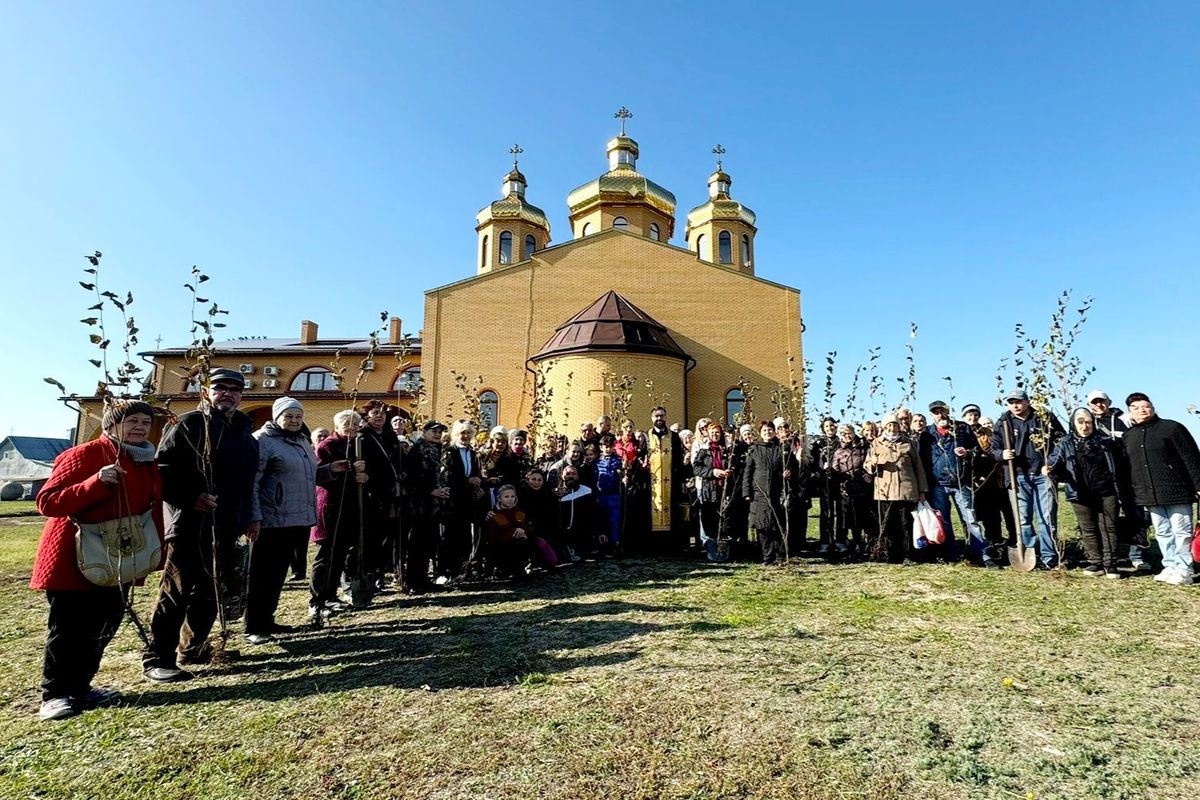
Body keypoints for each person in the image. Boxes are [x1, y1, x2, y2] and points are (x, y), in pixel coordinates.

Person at [32, 400, 164, 720]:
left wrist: (156, 552)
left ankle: (81, 687)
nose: (139, 427)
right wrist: (95, 482)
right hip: (76, 558)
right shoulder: (84, 455)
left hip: (120, 558)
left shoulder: (146, 460)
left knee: (104, 626)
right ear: (111, 424)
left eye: (145, 422)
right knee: (69, 628)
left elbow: (151, 510)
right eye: (131, 420)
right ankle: (55, 694)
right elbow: (48, 502)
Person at [143, 368, 258, 682]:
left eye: (235, 389)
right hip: (190, 523)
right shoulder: (191, 424)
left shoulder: (245, 433)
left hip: (226, 525)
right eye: (220, 388)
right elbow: (162, 468)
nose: (228, 394)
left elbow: (247, 482)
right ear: (206, 391)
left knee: (211, 590)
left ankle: (193, 647)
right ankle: (158, 658)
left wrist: (249, 516)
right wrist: (191, 497)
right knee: (178, 590)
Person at [245, 397, 318, 644]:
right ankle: (253, 626)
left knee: (277, 575)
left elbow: (308, 477)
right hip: (270, 519)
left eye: (298, 416)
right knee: (260, 575)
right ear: (277, 417)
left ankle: (267, 620)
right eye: (289, 416)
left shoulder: (302, 441)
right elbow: (252, 481)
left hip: (295, 518)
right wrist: (254, 516)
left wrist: (331, 470)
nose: (295, 421)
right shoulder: (262, 441)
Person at [1123, 393, 1200, 586]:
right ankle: (1170, 565)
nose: (1142, 410)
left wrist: (1199, 485)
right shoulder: (1129, 436)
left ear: (1152, 407)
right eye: (1136, 408)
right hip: (1150, 494)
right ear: (1130, 413)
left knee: (1181, 531)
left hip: (1177, 491)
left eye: (1145, 406)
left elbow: (1191, 458)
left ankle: (1184, 569)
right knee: (1162, 532)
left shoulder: (1172, 428)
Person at [1046, 407, 1132, 578]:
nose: (1085, 426)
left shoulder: (1105, 441)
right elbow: (1055, 459)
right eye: (1080, 422)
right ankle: (1096, 563)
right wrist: (1049, 467)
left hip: (1106, 491)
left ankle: (1111, 564)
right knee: (1088, 528)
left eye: (1088, 422)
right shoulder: (1066, 442)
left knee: (1109, 527)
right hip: (1080, 491)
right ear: (1073, 423)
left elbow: (1120, 464)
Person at [991, 388, 1066, 569]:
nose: (1015, 406)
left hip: (1043, 475)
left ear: (1027, 401)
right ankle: (1030, 551)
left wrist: (1052, 463)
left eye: (1018, 401)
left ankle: (1049, 557)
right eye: (1011, 402)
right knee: (1023, 519)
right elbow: (994, 448)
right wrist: (1002, 454)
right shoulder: (1003, 422)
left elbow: (1061, 441)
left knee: (1046, 518)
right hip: (1018, 476)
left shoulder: (1043, 417)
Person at [310, 410, 369, 618]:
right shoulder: (327, 445)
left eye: (355, 425)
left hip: (349, 508)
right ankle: (317, 600)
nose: (352, 429)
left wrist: (362, 476)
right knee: (326, 555)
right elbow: (317, 474)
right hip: (331, 507)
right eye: (347, 425)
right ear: (337, 426)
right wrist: (347, 470)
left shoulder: (357, 445)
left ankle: (331, 596)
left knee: (340, 555)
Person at [919, 400, 988, 564]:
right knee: (944, 521)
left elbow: (977, 450)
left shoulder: (962, 428)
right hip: (938, 484)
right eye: (936, 412)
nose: (940, 415)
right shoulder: (927, 433)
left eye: (942, 411)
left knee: (970, 519)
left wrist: (967, 453)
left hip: (960, 481)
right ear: (931, 415)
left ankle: (980, 554)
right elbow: (922, 459)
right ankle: (951, 554)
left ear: (948, 411)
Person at [864, 413, 928, 563]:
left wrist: (922, 490)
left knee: (907, 523)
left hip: (907, 489)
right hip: (885, 491)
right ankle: (892, 554)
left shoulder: (908, 443)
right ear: (884, 427)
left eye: (895, 425)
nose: (892, 428)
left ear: (899, 426)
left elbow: (918, 467)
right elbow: (867, 466)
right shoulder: (876, 444)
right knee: (889, 525)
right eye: (889, 425)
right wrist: (872, 463)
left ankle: (909, 555)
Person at [358, 400, 404, 590]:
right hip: (371, 492)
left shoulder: (390, 435)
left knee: (388, 536)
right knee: (371, 536)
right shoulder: (362, 437)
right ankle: (370, 574)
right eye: (375, 413)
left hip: (391, 493)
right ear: (367, 415)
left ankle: (382, 573)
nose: (379, 416)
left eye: (383, 413)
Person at [404, 420, 447, 594]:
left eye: (440, 432)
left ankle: (423, 579)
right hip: (419, 506)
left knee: (428, 544)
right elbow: (410, 478)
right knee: (416, 545)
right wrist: (432, 491)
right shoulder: (417, 450)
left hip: (433, 507)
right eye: (434, 431)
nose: (437, 434)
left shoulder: (438, 450)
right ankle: (413, 582)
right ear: (425, 432)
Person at [442, 420, 485, 584]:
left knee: (466, 535)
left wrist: (478, 483)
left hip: (468, 500)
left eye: (468, 433)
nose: (465, 436)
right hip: (453, 500)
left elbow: (476, 473)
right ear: (456, 435)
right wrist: (467, 481)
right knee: (451, 535)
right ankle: (448, 570)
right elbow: (448, 476)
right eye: (462, 433)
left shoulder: (473, 454)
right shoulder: (449, 452)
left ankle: (463, 569)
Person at [485, 486, 558, 577]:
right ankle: (511, 569)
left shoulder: (520, 512)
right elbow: (493, 539)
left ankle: (545, 565)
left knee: (539, 542)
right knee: (514, 546)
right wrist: (513, 533)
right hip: (505, 548)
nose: (510, 499)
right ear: (499, 498)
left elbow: (530, 526)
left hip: (524, 542)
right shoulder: (494, 516)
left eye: (512, 496)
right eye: (506, 497)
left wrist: (523, 529)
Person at [743, 420, 787, 563]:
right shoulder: (754, 449)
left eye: (770, 430)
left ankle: (780, 556)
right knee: (762, 526)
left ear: (774, 432)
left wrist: (788, 474)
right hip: (759, 493)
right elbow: (748, 472)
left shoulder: (782, 449)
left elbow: (790, 467)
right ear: (760, 433)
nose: (767, 433)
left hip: (777, 492)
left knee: (778, 525)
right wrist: (746, 492)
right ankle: (767, 556)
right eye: (764, 431)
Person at [970, 417, 1014, 555]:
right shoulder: (976, 444)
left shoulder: (999, 440)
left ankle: (1014, 539)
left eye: (989, 423)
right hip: (986, 487)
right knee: (991, 517)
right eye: (984, 425)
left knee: (1010, 514)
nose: (987, 426)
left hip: (1003, 483)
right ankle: (995, 541)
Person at [830, 423, 873, 557]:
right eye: (843, 434)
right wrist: (829, 471)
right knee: (851, 519)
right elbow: (835, 470)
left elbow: (869, 463)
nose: (846, 436)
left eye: (849, 433)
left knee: (865, 518)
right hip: (847, 490)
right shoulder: (838, 452)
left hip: (863, 488)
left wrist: (868, 474)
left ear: (854, 433)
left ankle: (867, 545)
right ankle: (854, 544)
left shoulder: (863, 448)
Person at [692, 422, 733, 560]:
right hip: (709, 490)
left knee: (725, 521)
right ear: (708, 434)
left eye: (717, 432)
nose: (715, 435)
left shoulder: (727, 451)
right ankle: (712, 553)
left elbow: (735, 466)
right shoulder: (704, 451)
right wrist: (712, 472)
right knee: (710, 520)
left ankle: (723, 552)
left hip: (724, 489)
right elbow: (696, 468)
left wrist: (729, 471)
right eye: (712, 433)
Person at [646, 406, 685, 548]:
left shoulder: (673, 436)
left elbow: (678, 460)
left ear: (665, 417)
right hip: (652, 482)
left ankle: (671, 545)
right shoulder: (647, 436)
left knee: (671, 510)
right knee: (652, 510)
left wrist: (679, 477)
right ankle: (653, 545)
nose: (659, 419)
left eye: (662, 416)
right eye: (656, 416)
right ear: (652, 418)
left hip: (670, 480)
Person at [809, 417, 839, 553]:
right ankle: (825, 541)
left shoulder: (840, 442)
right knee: (825, 512)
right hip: (824, 482)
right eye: (826, 426)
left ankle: (840, 540)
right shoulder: (818, 444)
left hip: (839, 481)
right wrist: (821, 470)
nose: (829, 428)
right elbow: (813, 463)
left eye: (831, 425)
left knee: (840, 512)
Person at [593, 434, 624, 554]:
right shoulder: (596, 462)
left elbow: (622, 474)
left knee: (614, 519)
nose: (608, 449)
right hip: (600, 495)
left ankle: (615, 543)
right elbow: (594, 477)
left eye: (610, 446)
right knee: (601, 519)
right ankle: (602, 543)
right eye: (605, 446)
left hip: (614, 495)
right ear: (601, 447)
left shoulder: (618, 460)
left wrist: (622, 473)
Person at [556, 465, 594, 561]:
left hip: (582, 532)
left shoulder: (587, 491)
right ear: (562, 476)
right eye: (568, 474)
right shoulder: (557, 493)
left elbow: (594, 514)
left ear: (578, 476)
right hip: (563, 534)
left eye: (573, 474)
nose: (571, 476)